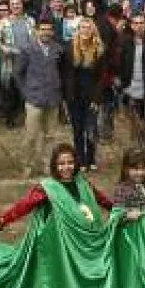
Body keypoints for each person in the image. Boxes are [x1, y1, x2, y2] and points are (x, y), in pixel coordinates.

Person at [0, 143, 116, 288]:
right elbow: (25, 205)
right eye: (61, 164)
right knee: (57, 276)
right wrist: (4, 219)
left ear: (76, 163)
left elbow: (102, 200)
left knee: (75, 276)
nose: (66, 167)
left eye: (70, 162)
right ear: (54, 166)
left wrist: (118, 211)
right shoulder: (47, 188)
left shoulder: (82, 183)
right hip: (57, 243)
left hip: (80, 240)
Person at [16, 19, 65, 178]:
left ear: (52, 32)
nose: (46, 32)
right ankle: (27, 165)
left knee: (50, 136)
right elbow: (18, 73)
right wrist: (26, 92)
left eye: (49, 29)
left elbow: (62, 72)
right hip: (34, 98)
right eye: (43, 29)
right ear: (36, 31)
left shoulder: (58, 49)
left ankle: (47, 165)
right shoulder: (27, 49)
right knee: (31, 136)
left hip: (53, 97)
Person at [61, 17, 106, 172]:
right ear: (78, 30)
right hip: (74, 96)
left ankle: (91, 158)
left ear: (93, 30)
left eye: (88, 27)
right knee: (77, 129)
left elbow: (101, 77)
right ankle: (80, 160)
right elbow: (64, 74)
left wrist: (97, 98)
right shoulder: (69, 48)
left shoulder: (99, 49)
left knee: (91, 128)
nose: (85, 30)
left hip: (92, 95)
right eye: (82, 27)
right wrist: (65, 95)